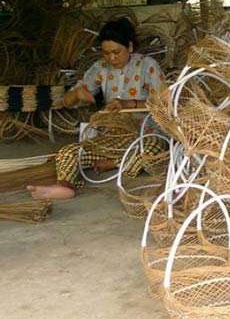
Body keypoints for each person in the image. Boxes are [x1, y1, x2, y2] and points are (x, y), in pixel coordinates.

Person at [27, 18, 166, 200]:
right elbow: (67, 102)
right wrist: (77, 94)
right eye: (106, 53)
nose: (111, 58)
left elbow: (164, 103)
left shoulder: (148, 66)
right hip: (114, 137)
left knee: (154, 150)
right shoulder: (100, 68)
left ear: (130, 47)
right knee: (68, 152)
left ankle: (114, 163)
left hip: (144, 134)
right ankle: (65, 185)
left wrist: (129, 104)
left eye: (116, 52)